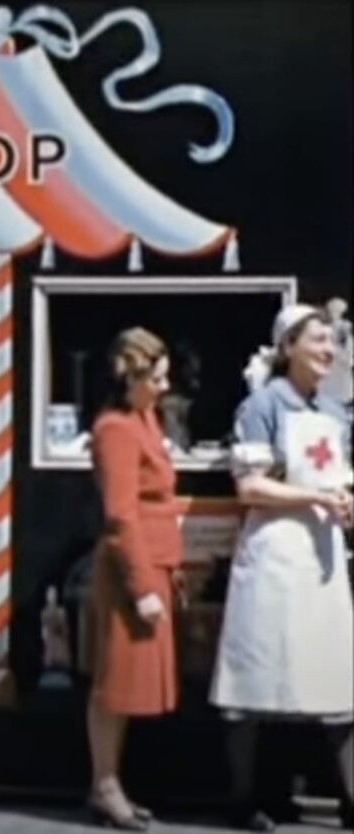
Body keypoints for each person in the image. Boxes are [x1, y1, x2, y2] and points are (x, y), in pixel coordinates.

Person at [212, 304, 353, 832]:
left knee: (338, 680)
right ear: (288, 346)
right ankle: (244, 798)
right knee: (254, 680)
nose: (328, 350)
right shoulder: (262, 407)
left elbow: (344, 475)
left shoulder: (336, 413)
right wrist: (313, 495)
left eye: (332, 341)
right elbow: (249, 487)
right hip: (273, 553)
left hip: (322, 555)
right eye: (317, 339)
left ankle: (350, 798)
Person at [86, 327, 183, 831]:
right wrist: (143, 587)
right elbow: (121, 514)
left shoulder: (146, 417)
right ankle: (105, 784)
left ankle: (112, 782)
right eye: (157, 378)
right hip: (132, 572)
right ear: (131, 378)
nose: (165, 387)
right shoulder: (115, 430)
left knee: (130, 684)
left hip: (155, 563)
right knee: (115, 686)